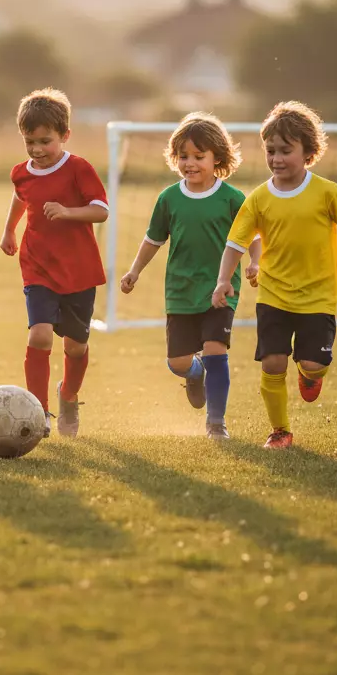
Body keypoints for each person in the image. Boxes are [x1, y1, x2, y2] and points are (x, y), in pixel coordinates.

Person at [212, 100, 337, 449]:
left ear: (309, 152)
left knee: (313, 364)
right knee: (271, 363)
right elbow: (236, 242)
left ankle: (310, 375)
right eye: (271, 151)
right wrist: (224, 279)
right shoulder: (258, 198)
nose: (277, 158)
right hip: (273, 295)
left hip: (318, 296)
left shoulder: (327, 192)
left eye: (286, 150)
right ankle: (280, 431)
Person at [121, 113, 260, 439]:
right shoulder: (169, 199)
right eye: (184, 156)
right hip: (180, 291)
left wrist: (255, 262)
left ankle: (216, 422)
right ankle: (193, 374)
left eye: (199, 156)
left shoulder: (232, 198)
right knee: (178, 362)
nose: (190, 163)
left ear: (218, 159)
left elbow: (251, 235)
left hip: (220, 289)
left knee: (215, 350)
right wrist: (134, 271)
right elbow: (154, 239)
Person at [0, 88, 108, 437]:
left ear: (65, 135)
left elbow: (101, 210)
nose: (37, 150)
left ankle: (69, 395)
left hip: (79, 270)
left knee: (75, 345)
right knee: (40, 335)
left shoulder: (78, 168)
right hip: (38, 266)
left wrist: (68, 212)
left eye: (45, 141)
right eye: (29, 141)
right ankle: (38, 412)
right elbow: (20, 200)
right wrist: (9, 232)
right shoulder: (22, 172)